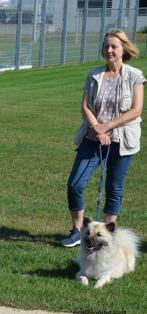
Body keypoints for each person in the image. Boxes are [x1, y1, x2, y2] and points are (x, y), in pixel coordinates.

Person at [62, 28, 144, 247]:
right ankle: (78, 231)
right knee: (75, 184)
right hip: (92, 138)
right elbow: (85, 106)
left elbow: (136, 110)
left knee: (113, 188)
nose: (109, 50)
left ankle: (108, 235)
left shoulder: (134, 76)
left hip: (122, 141)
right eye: (106, 46)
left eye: (114, 46)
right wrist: (97, 128)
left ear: (123, 49)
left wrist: (107, 126)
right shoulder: (94, 75)